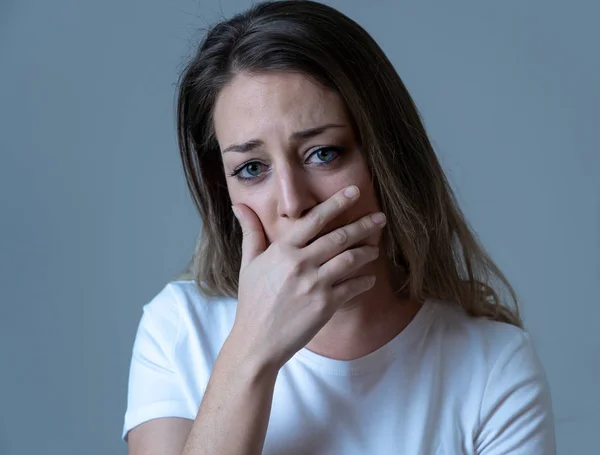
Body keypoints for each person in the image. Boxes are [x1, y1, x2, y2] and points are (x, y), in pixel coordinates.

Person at [122, 1, 556, 453]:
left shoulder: (493, 367)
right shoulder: (178, 331)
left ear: (388, 158)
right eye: (252, 168)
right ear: (221, 186)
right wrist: (251, 352)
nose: (293, 203)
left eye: (323, 153)